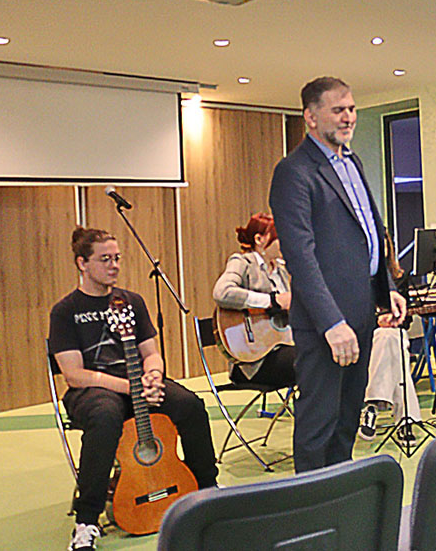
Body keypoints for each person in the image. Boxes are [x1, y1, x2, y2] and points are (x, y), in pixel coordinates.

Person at [49, 228, 217, 551]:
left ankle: (207, 490)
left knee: (190, 405)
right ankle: (86, 521)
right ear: (82, 263)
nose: (114, 265)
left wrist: (153, 375)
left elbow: (150, 353)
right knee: (105, 417)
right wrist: (132, 387)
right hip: (93, 390)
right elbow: (74, 375)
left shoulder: (132, 301)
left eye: (117, 258)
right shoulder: (65, 311)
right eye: (105, 259)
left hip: (137, 385)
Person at [269, 75, 406, 473]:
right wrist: (332, 323)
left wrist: (386, 288)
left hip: (361, 312)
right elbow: (300, 256)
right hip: (325, 324)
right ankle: (311, 505)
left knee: (347, 422)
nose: (349, 117)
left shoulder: (352, 162)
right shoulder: (294, 171)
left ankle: (340, 498)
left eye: (352, 109)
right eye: (338, 110)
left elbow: (369, 232)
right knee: (319, 425)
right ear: (311, 117)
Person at [212, 212, 296, 386]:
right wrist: (272, 301)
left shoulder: (280, 270)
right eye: (280, 237)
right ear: (259, 239)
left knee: (319, 353)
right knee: (309, 361)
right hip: (253, 362)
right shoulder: (242, 262)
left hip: (283, 346)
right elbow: (222, 292)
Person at [358, 234, 423, 443]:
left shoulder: (398, 279)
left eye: (384, 246)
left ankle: (372, 406)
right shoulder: (357, 278)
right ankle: (406, 421)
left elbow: (405, 319)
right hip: (364, 338)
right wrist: (377, 321)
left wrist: (393, 319)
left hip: (392, 337)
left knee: (393, 336)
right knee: (393, 343)